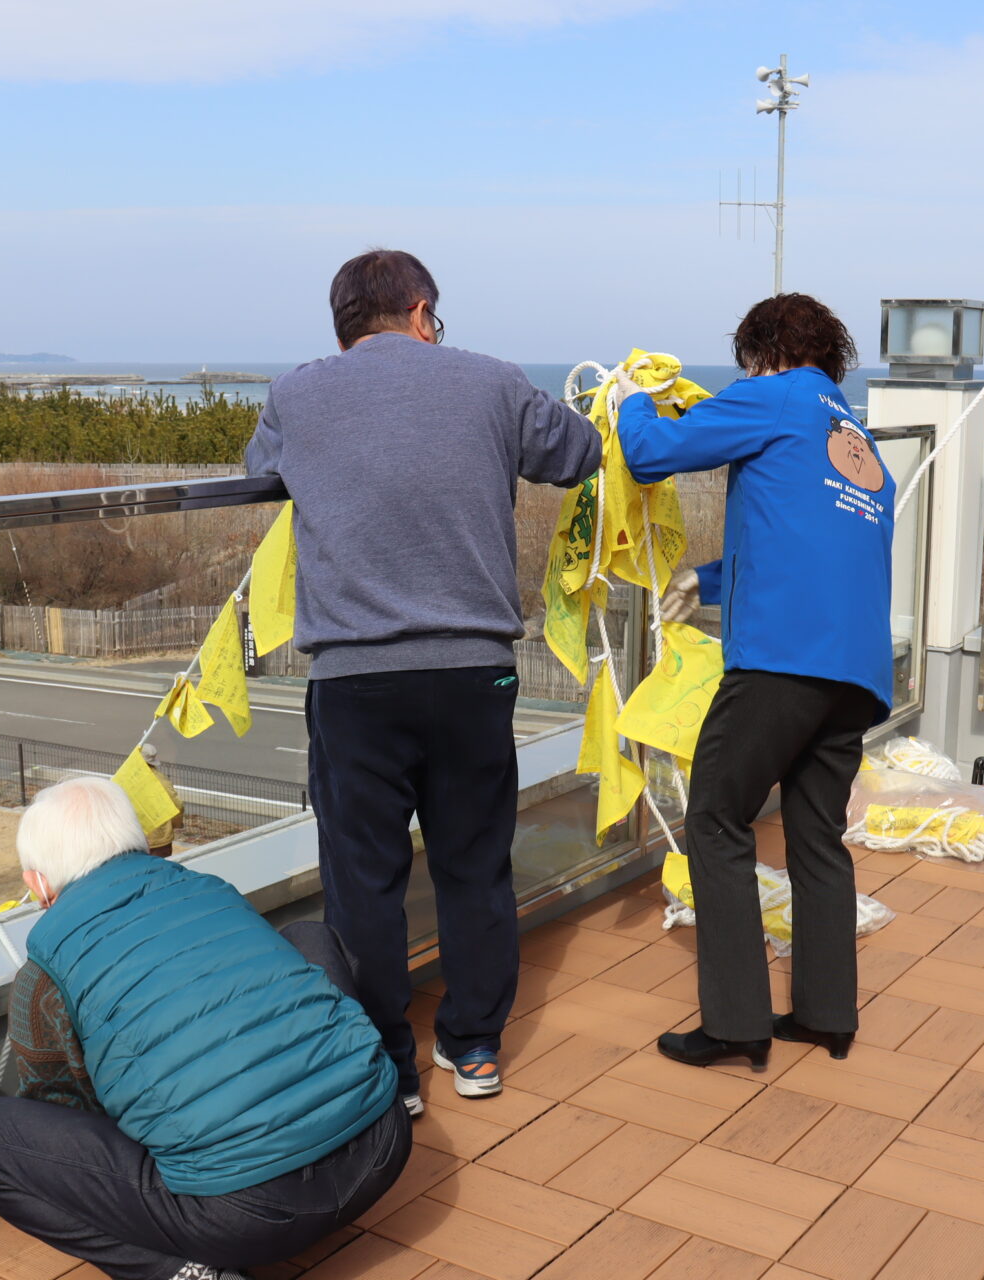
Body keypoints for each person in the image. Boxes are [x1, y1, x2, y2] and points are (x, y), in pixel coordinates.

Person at [243, 249, 601, 1111]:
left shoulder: (297, 392)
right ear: (419, 311)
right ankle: (473, 1048)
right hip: (473, 672)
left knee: (363, 881)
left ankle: (389, 1068)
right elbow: (578, 453)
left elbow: (259, 474)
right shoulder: (491, 380)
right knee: (474, 866)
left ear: (343, 327)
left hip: (354, 679)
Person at [0, 777, 406, 1280]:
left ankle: (187, 1273)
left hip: (249, 1213)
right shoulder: (210, 890)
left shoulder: (43, 973)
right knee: (307, 936)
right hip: (382, 1145)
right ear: (138, 841)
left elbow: (61, 1106)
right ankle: (381, 1085)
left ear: (37, 883)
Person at [612, 293, 895, 1070]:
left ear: (763, 353)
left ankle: (737, 1023)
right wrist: (705, 579)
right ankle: (827, 1014)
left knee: (714, 817)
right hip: (856, 673)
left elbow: (651, 452)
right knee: (816, 835)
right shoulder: (855, 435)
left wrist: (631, 402)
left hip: (782, 659)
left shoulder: (775, 394)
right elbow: (801, 533)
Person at [140, 744, 183, 858]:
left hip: (134, 838)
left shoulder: (125, 779)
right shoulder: (162, 781)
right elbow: (177, 805)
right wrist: (175, 824)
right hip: (160, 838)